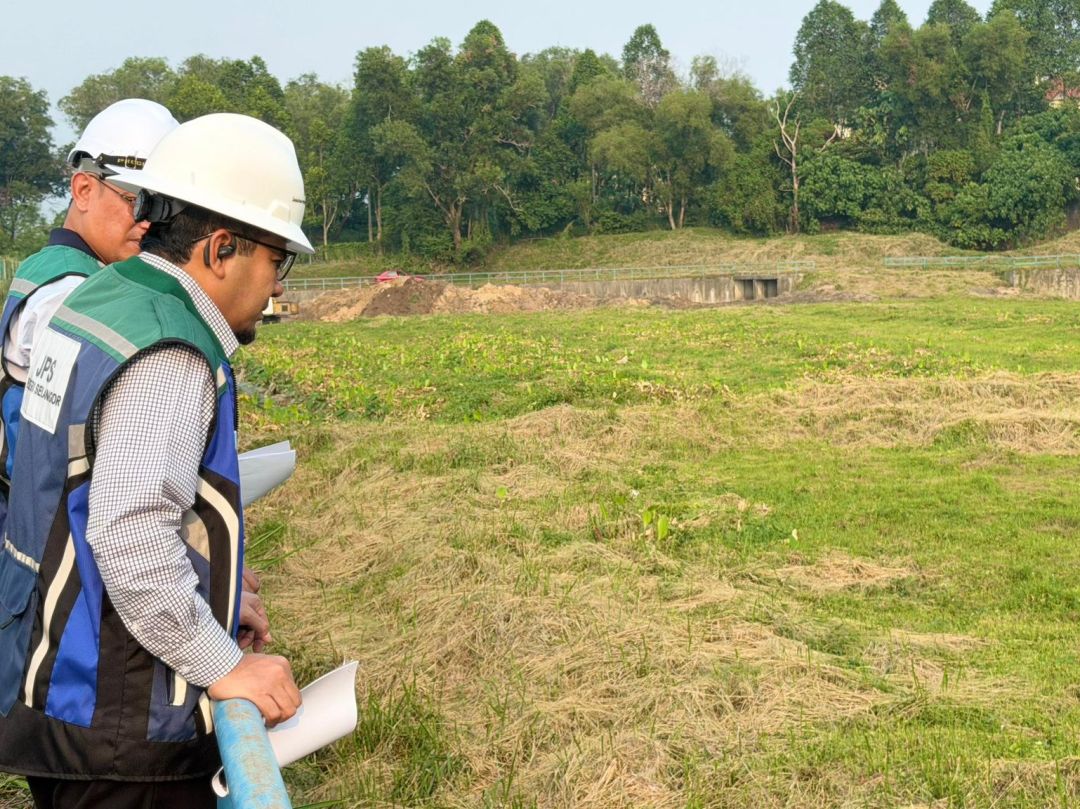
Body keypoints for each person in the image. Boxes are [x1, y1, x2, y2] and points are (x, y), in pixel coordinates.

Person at [0, 112, 312, 808]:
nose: (279, 285)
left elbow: (74, 492)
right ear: (222, 247)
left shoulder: (101, 303)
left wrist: (214, 582)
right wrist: (225, 663)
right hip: (119, 722)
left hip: (56, 683)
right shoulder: (169, 349)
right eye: (276, 259)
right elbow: (131, 536)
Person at [0, 99, 178, 536]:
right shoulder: (68, 296)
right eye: (138, 203)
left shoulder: (57, 272)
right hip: (56, 551)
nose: (148, 225)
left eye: (163, 211)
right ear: (83, 190)